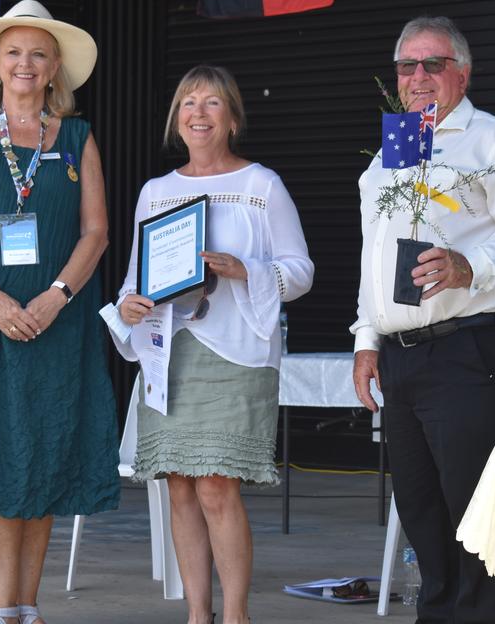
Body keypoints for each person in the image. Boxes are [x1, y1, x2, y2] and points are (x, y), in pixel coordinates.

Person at [0, 0, 120, 624]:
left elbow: (96, 234)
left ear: (55, 65)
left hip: (56, 321)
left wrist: (54, 297)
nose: (26, 63)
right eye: (14, 52)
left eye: (38, 52)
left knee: (45, 452)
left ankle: (27, 608)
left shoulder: (78, 139)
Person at [351, 17, 495, 623]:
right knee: (421, 509)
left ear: (462, 72)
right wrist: (367, 339)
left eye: (431, 64)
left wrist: (474, 265)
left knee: (477, 507)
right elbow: (376, 253)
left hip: (468, 346)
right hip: (401, 354)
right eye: (406, 67)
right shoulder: (396, 147)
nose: (417, 77)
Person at [116, 65, 313, 624]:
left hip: (237, 351)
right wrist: (131, 302)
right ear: (177, 120)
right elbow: (136, 279)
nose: (198, 114)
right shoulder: (156, 192)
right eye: (187, 104)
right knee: (180, 487)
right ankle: (197, 615)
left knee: (217, 487)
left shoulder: (261, 185)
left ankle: (236, 616)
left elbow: (301, 271)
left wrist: (244, 269)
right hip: (169, 352)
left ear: (232, 118)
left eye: (211, 104)